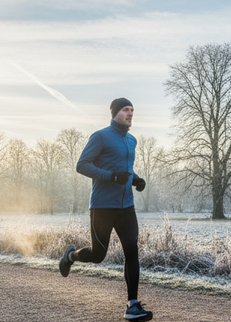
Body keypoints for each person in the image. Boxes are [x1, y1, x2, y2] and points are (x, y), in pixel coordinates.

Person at [59, 97, 153, 321]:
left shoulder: (132, 140)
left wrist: (136, 180)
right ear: (114, 113)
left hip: (126, 207)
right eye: (125, 110)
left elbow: (124, 169)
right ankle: (70, 256)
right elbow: (82, 165)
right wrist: (110, 176)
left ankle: (132, 305)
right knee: (98, 255)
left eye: (132, 110)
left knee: (132, 251)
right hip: (102, 206)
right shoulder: (100, 136)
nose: (130, 113)